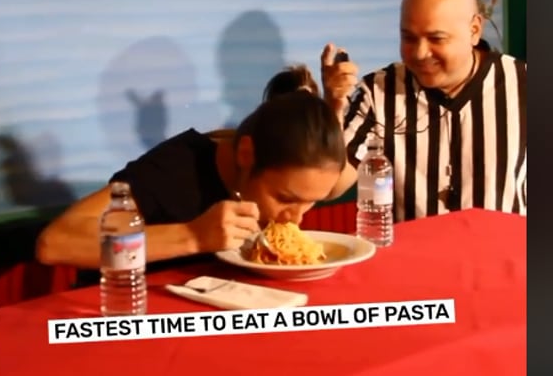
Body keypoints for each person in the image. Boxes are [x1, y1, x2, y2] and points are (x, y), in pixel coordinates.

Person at [36, 89, 347, 269]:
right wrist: (192, 236)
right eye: (285, 198)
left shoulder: (287, 199)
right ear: (246, 154)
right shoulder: (175, 169)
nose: (295, 219)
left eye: (310, 204)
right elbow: (55, 243)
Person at [321, 0, 526, 220]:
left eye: (436, 38)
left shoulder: (523, 85)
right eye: (408, 38)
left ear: (474, 30)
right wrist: (334, 107)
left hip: (504, 257)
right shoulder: (379, 92)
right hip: (410, 258)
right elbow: (330, 186)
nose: (419, 53)